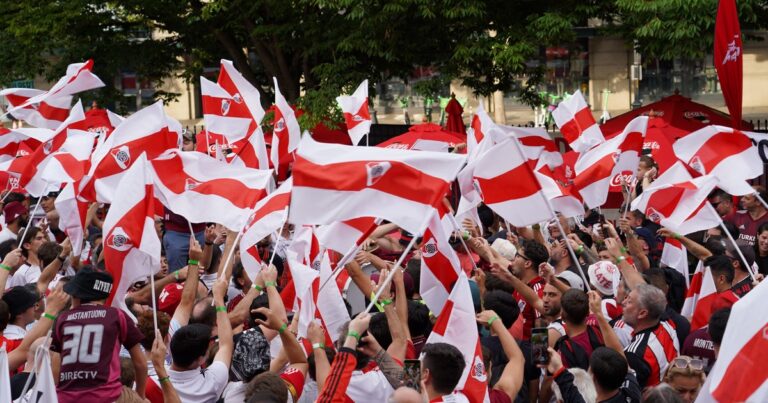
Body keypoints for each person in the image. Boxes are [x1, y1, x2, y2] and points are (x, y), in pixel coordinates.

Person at [51, 268, 147, 401]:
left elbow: (56, 364)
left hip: (66, 397)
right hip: (106, 395)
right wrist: (141, 395)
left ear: (78, 296)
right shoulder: (117, 315)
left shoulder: (62, 318)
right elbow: (141, 363)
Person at [167, 278, 234, 402]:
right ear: (200, 359)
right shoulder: (212, 382)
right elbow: (226, 345)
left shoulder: (154, 380)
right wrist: (219, 299)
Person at [622, 284, 679, 387]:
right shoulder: (668, 324)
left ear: (642, 313)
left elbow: (633, 393)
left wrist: (599, 316)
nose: (623, 303)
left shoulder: (636, 353)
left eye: (629, 301)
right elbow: (654, 298)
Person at [690, 255, 739, 330]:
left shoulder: (722, 301)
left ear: (721, 279)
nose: (703, 280)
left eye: (706, 277)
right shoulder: (736, 299)